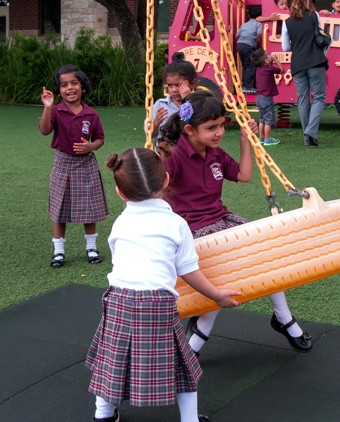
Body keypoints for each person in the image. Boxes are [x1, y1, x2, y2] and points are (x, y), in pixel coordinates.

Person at [85, 147, 241, 422]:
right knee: (183, 368)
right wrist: (217, 295)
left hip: (118, 299)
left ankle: (103, 414)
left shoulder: (119, 224)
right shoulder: (176, 224)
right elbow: (189, 271)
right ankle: (189, 420)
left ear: (120, 192)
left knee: (111, 362)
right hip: (157, 303)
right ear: (167, 180)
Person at [160, 90, 313, 357]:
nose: (219, 132)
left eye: (222, 125)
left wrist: (246, 140)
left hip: (220, 219)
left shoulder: (214, 153)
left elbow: (243, 175)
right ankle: (201, 331)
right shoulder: (173, 156)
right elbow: (154, 193)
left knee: (264, 243)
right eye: (211, 128)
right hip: (191, 229)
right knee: (228, 264)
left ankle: (281, 315)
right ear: (189, 129)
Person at [39, 64, 109, 268]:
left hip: (86, 164)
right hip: (63, 163)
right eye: (63, 85)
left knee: (89, 207)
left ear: (83, 87)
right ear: (58, 90)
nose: (69, 87)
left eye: (74, 83)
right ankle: (58, 251)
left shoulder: (92, 114)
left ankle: (91, 247)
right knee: (60, 208)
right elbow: (44, 131)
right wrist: (47, 106)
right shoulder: (56, 111)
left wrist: (90, 146)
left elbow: (100, 138)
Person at [282, 0, 328, 146]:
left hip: (297, 64)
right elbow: (321, 35)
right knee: (318, 98)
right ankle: (311, 131)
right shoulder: (314, 15)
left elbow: (285, 47)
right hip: (316, 61)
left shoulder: (287, 22)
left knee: (302, 99)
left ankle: (307, 137)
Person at [149, 52, 198, 145]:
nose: (174, 90)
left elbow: (200, 128)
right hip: (165, 152)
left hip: (189, 152)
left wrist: (188, 99)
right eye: (170, 85)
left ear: (193, 83)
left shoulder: (199, 103)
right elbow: (150, 135)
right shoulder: (161, 105)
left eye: (178, 85)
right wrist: (156, 122)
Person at [251, 48, 285, 145]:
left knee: (262, 119)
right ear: (266, 61)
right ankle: (267, 139)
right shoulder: (269, 68)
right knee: (268, 120)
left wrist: (271, 60)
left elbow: (268, 67)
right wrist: (276, 60)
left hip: (259, 98)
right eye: (269, 54)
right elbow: (282, 70)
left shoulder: (259, 68)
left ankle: (261, 137)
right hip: (267, 98)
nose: (271, 55)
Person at [236, 5, 262, 93]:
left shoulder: (244, 24)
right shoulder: (258, 24)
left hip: (239, 44)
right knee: (251, 66)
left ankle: (244, 85)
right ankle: (247, 87)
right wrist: (261, 43)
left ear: (249, 15)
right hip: (248, 45)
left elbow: (237, 35)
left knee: (245, 66)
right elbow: (259, 34)